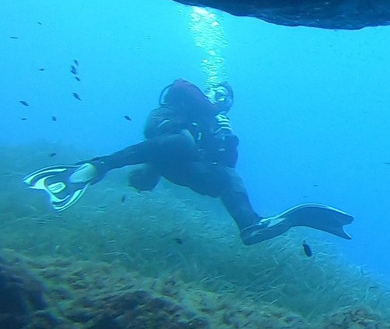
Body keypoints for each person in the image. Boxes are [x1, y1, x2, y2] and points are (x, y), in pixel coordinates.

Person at [24, 78, 354, 245]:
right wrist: (206, 114)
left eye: (227, 99)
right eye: (219, 95)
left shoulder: (216, 126)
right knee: (179, 141)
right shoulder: (183, 103)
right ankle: (95, 167)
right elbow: (171, 110)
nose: (222, 102)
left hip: (186, 167)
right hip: (166, 142)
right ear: (208, 94)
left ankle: (251, 226)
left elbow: (226, 169)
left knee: (226, 177)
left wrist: (228, 141)